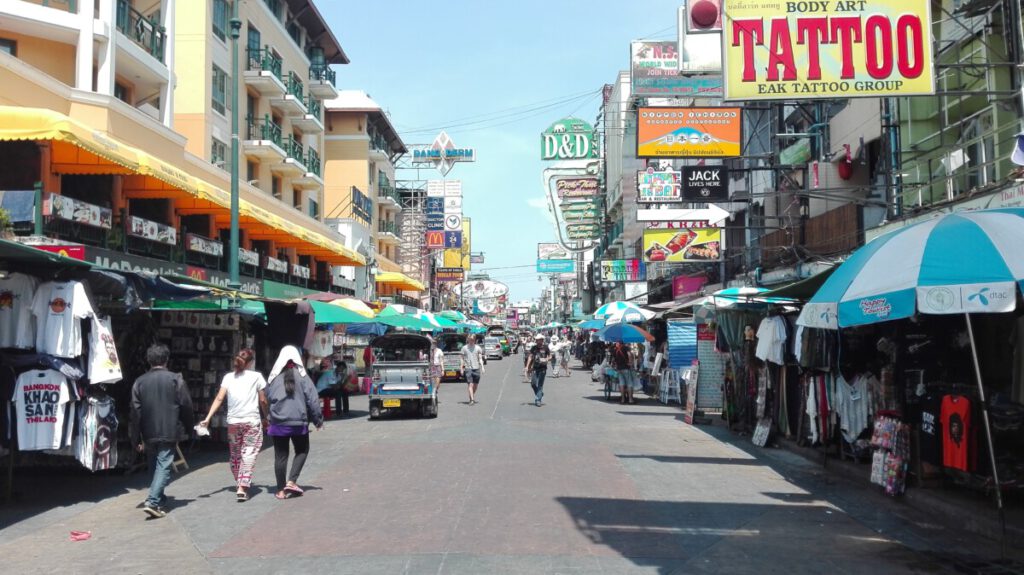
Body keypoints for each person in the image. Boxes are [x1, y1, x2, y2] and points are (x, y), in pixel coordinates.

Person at [130, 344, 193, 518]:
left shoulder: (139, 382)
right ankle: (153, 501)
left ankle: (159, 497)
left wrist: (135, 439)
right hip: (169, 429)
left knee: (154, 465)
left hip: (148, 432)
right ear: (167, 360)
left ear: (149, 360)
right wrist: (190, 429)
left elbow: (135, 413)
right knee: (164, 465)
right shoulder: (176, 380)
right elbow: (186, 406)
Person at [199, 349, 267, 502]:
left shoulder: (228, 377)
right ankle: (242, 486)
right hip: (251, 423)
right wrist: (266, 417)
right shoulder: (256, 376)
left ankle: (240, 482)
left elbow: (219, 398)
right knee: (249, 452)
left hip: (233, 424)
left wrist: (208, 418)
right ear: (251, 362)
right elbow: (263, 400)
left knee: (235, 455)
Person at [265, 346, 324, 500]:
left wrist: (267, 416)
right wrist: (318, 421)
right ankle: (292, 481)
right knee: (302, 450)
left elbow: (266, 398)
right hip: (299, 423)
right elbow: (313, 400)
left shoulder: (273, 378)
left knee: (280, 456)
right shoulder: (304, 377)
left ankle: (280, 490)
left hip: (278, 423)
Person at [525, 334, 552, 406]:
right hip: (535, 368)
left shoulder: (546, 347)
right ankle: (539, 393)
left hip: (543, 368)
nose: (537, 341)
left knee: (540, 384)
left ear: (542, 340)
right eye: (536, 340)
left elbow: (550, 356)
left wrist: (546, 359)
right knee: (533, 384)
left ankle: (538, 400)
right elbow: (530, 357)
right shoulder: (534, 348)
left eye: (539, 340)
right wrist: (527, 366)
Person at [460, 334, 486, 405]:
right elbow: (462, 359)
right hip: (468, 368)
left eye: (472, 340)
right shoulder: (464, 348)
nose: (471, 341)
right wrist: (461, 368)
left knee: (475, 386)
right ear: (468, 339)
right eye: (470, 339)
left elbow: (480, 358)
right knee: (470, 384)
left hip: (476, 368)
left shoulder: (478, 348)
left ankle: (471, 395)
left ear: (475, 340)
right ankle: (472, 400)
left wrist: (482, 367)